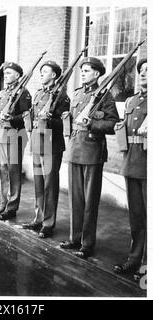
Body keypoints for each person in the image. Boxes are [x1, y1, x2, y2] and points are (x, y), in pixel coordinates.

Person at [60, 57, 119, 258]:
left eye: (87, 70)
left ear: (97, 74)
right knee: (75, 199)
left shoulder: (105, 95)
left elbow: (112, 124)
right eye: (82, 70)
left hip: (93, 152)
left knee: (89, 201)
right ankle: (74, 238)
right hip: (75, 149)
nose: (83, 73)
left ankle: (87, 243)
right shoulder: (77, 94)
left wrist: (91, 123)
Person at [21, 61, 70, 238]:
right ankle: (38, 217)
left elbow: (64, 125)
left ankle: (48, 223)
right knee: (39, 184)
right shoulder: (39, 94)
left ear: (54, 76)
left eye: (45, 71)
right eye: (41, 71)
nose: (41, 74)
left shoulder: (62, 98)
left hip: (52, 143)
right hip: (37, 142)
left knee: (50, 185)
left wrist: (50, 118)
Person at [113, 58, 147, 281]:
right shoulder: (132, 100)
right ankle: (135, 259)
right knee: (136, 217)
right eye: (142, 71)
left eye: (149, 71)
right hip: (132, 162)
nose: (144, 74)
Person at [0, 62, 32, 221]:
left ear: (18, 76)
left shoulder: (23, 93)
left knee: (13, 172)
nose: (5, 75)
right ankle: (3, 203)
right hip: (1, 135)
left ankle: (12, 207)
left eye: (9, 73)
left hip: (15, 135)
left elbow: (27, 116)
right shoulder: (1, 93)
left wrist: (12, 118)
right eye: (5, 73)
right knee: (2, 170)